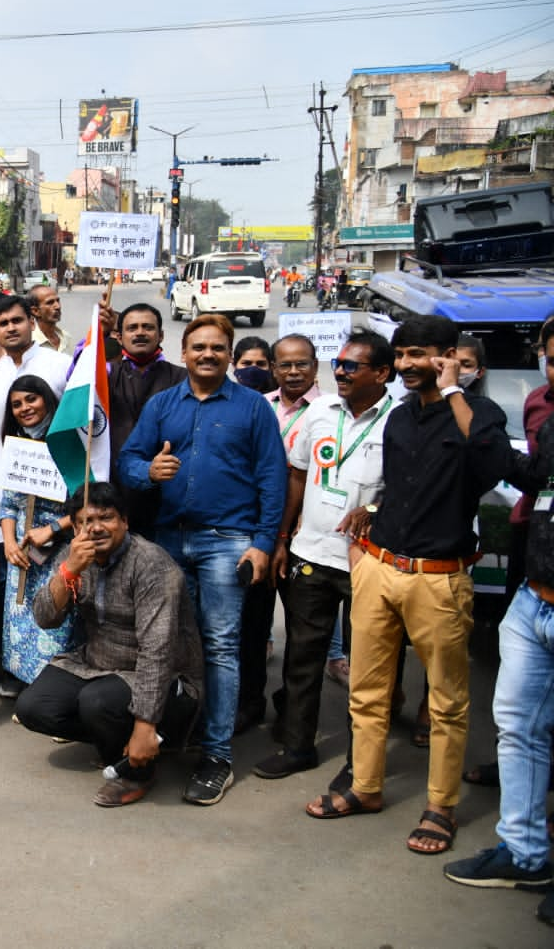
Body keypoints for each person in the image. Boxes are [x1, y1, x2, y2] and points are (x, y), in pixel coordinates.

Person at [305, 314, 514, 857]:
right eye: (401, 356)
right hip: (378, 568)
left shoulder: (479, 416)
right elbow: (400, 487)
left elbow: (496, 466)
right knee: (367, 691)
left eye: (420, 355)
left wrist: (451, 392)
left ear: (447, 356)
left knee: (446, 704)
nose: (406, 366)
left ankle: (440, 806)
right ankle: (366, 787)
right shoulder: (398, 418)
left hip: (438, 580)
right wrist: (371, 511)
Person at [118, 314, 286, 805]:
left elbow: (272, 479)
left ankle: (217, 754)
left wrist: (262, 542)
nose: (208, 355)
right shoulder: (163, 404)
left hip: (228, 542)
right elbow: (129, 461)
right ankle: (174, 733)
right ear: (184, 353)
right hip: (169, 540)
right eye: (199, 347)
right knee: (166, 644)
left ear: (229, 355)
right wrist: (149, 470)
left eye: (217, 348)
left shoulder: (253, 408)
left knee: (219, 645)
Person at [442, 326, 554, 919]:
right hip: (535, 601)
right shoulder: (549, 418)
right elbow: (530, 478)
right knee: (519, 732)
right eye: (552, 362)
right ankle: (525, 852)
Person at [254, 331, 395, 781]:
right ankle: (298, 746)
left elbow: (411, 488)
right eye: (339, 364)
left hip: (368, 562)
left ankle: (361, 763)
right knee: (302, 658)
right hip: (310, 555)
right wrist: (282, 539)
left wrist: (373, 509)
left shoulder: (400, 420)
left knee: (369, 669)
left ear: (382, 373)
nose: (340, 373)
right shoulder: (320, 412)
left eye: (352, 367)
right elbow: (297, 477)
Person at [13, 484, 204, 808]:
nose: (97, 527)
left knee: (96, 702)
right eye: (86, 521)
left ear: (125, 522)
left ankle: (140, 767)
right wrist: (69, 571)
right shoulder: (75, 554)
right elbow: (44, 617)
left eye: (107, 518)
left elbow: (157, 652)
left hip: (166, 678)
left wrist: (145, 725)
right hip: (96, 664)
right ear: (75, 527)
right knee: (33, 707)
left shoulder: (151, 565)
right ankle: (118, 739)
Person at [236, 333, 321, 734]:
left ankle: (293, 712)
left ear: (315, 367)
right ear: (271, 368)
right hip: (259, 532)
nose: (292, 372)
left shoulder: (328, 412)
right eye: (283, 364)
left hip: (307, 538)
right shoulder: (256, 407)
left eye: (301, 364)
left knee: (303, 637)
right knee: (253, 626)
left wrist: (288, 533)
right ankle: (249, 702)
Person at [0, 295, 71, 552]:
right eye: (3, 323)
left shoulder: (62, 366)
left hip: (54, 496)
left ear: (32, 323)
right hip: (5, 500)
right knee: (11, 579)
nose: (11, 328)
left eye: (17, 320)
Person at [0, 376, 75, 696]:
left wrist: (53, 529)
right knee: (19, 614)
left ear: (47, 400)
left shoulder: (70, 444)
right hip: (23, 546)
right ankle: (20, 676)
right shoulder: (16, 443)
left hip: (61, 545)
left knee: (55, 614)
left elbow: (87, 503)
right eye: (17, 404)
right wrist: (9, 542)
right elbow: (8, 503)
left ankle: (52, 685)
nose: (25, 408)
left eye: (31, 399)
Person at [105, 302, 186, 534]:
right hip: (116, 487)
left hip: (169, 495)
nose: (140, 333)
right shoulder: (106, 374)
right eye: (132, 328)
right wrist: (99, 333)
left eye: (147, 327)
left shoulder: (183, 379)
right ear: (119, 337)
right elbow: (77, 378)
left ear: (160, 335)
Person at [28, 285, 73, 354]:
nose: (58, 306)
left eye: (58, 301)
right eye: (50, 303)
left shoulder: (66, 338)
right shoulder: (29, 343)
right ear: (35, 311)